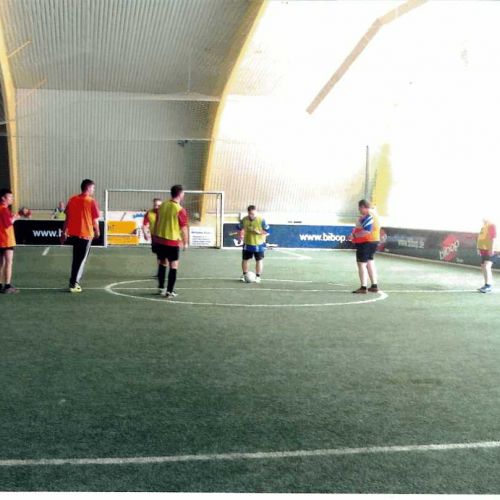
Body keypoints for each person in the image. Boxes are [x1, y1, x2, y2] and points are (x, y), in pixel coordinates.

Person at [62, 179, 100, 293]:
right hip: (86, 234)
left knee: (76, 259)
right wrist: (97, 231)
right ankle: (74, 284)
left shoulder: (72, 199)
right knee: (81, 260)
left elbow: (67, 217)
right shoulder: (91, 201)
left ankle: (72, 281)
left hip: (74, 234)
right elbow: (95, 219)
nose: (93, 190)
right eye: (93, 188)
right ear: (88, 188)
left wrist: (64, 232)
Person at [153, 185, 189, 298]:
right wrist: (186, 242)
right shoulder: (179, 209)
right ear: (180, 194)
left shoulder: (162, 205)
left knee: (162, 263)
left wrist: (155, 237)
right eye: (183, 193)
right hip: (172, 241)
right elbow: (184, 228)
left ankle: (161, 288)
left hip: (160, 240)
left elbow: (157, 222)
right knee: (174, 265)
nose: (184, 195)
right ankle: (169, 291)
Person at [350, 199, 380, 294]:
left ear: (363, 207)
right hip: (374, 240)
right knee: (370, 262)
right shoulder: (374, 214)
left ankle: (363, 287)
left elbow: (366, 230)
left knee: (361, 264)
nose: (359, 210)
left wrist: (354, 235)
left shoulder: (369, 215)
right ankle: (374, 285)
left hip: (365, 242)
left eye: (360, 208)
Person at [238, 205, 270, 284]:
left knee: (259, 260)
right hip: (247, 243)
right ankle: (244, 275)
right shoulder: (244, 220)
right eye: (250, 214)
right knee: (245, 259)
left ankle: (258, 276)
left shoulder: (261, 220)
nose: (251, 215)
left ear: (256, 212)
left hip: (259, 244)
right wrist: (240, 237)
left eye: (253, 214)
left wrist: (259, 232)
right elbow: (239, 228)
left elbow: (267, 231)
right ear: (248, 213)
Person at [0, 188, 19, 294]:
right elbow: (8, 224)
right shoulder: (3, 209)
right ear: (3, 198)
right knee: (8, 262)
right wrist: (15, 218)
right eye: (10, 196)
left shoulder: (3, 209)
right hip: (6, 240)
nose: (12, 198)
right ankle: (7, 286)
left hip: (1, 239)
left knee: (1, 263)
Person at [477, 217, 498, 293]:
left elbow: (493, 238)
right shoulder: (483, 227)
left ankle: (489, 285)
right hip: (484, 250)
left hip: (492, 250)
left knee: (487, 266)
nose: (483, 219)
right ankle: (486, 284)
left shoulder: (492, 225)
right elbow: (480, 239)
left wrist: (492, 249)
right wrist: (479, 248)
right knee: (483, 266)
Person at [142, 198, 162, 276]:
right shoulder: (149, 213)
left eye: (159, 205)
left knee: (163, 255)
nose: (157, 207)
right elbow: (144, 225)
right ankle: (160, 272)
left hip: (164, 237)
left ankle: (162, 272)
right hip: (154, 237)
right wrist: (145, 233)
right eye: (155, 205)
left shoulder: (165, 213)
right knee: (159, 255)